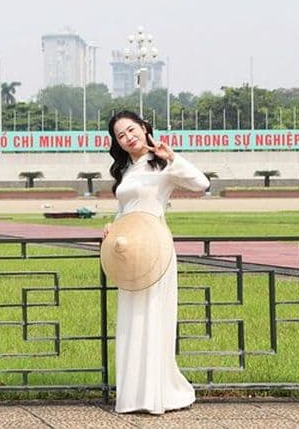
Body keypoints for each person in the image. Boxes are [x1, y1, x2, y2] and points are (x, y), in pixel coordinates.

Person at [103, 110, 209, 415]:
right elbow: (126, 209)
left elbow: (202, 185)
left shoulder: (162, 163)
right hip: (129, 249)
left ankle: (157, 394)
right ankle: (133, 395)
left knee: (153, 318)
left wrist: (174, 158)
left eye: (131, 130)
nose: (127, 137)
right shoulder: (126, 171)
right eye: (120, 135)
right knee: (131, 320)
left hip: (156, 248)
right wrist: (114, 226)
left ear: (144, 128)